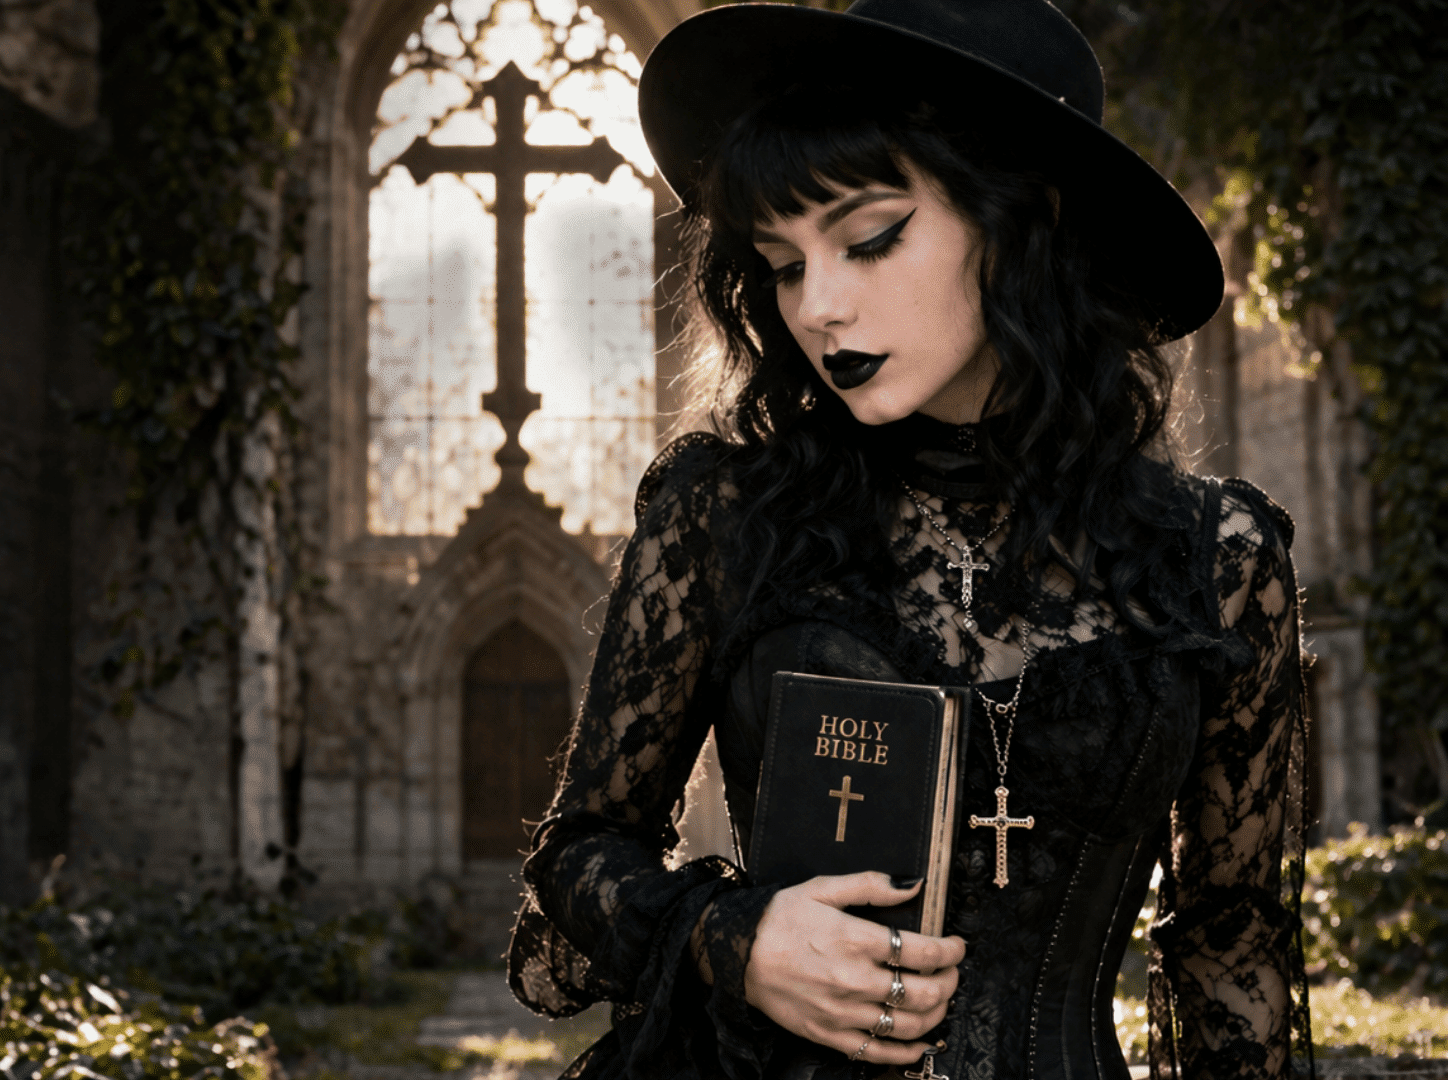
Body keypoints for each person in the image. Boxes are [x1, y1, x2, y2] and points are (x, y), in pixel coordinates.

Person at [505, 2, 1313, 1079]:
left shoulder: (1218, 562)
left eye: (870, 238)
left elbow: (1232, 948)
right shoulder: (724, 513)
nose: (819, 307)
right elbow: (579, 858)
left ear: (1024, 222)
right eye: (784, 263)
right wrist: (733, 940)